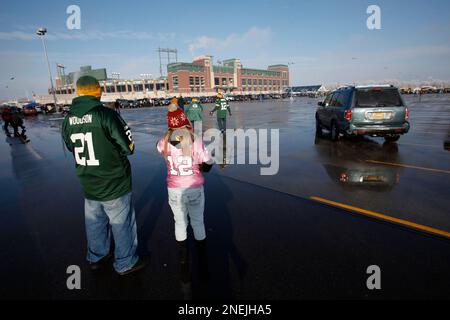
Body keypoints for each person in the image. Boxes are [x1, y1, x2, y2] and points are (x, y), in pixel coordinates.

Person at [62, 76, 147, 276]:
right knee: (121, 222)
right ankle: (125, 262)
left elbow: (70, 147)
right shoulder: (106, 114)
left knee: (94, 221)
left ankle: (96, 256)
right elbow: (128, 147)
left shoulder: (67, 119)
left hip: (88, 181)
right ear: (97, 91)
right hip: (114, 181)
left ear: (78, 92)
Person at [157, 103, 213, 271]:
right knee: (198, 222)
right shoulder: (195, 140)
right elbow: (208, 164)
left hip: (174, 188)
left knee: (179, 223)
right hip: (194, 187)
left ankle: (183, 258)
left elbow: (161, 149)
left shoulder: (163, 142)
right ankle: (202, 258)